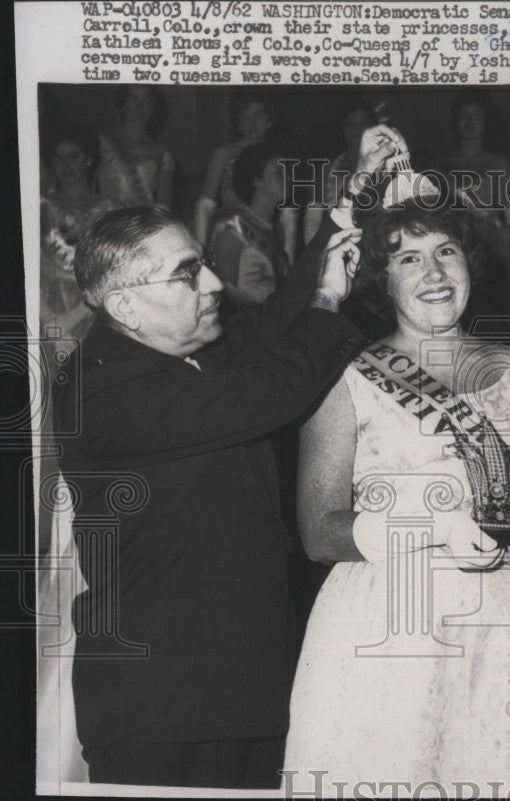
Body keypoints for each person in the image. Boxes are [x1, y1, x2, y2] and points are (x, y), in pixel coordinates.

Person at [52, 129, 402, 788]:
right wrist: (331, 299)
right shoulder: (99, 387)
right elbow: (269, 390)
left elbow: (276, 323)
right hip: (161, 706)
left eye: (202, 261)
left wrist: (350, 207)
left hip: (242, 684)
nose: (212, 281)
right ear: (123, 302)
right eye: (187, 274)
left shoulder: (181, 346)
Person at [283, 168, 510, 788]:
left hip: (505, 622)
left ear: (469, 262)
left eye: (445, 252)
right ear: (382, 279)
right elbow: (319, 532)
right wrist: (436, 528)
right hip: (385, 619)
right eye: (408, 258)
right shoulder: (345, 375)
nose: (434, 274)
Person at [437, 88, 510, 320]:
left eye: (477, 115)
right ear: (456, 121)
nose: (470, 121)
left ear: (487, 122)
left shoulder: (499, 163)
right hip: (454, 244)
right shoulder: (440, 165)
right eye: (464, 115)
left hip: (491, 247)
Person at [40, 122, 118, 343]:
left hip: (97, 309)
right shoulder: (39, 208)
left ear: (89, 159)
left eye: (73, 156)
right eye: (58, 157)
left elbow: (116, 272)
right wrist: (51, 321)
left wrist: (75, 316)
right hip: (47, 311)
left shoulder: (111, 209)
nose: (65, 164)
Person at [209, 142, 290, 311]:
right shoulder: (231, 230)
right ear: (257, 181)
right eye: (278, 172)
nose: (288, 177)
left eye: (287, 171)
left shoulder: (277, 229)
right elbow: (224, 297)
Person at [193, 93, 275, 245]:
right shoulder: (224, 154)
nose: (252, 122)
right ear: (238, 123)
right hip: (233, 232)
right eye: (245, 116)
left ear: (269, 121)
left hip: (267, 232)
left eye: (259, 115)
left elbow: (287, 212)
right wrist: (201, 248)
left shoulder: (276, 157)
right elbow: (205, 205)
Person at [302, 97, 376, 245]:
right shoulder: (325, 170)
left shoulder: (384, 168)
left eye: (361, 123)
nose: (356, 129)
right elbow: (312, 221)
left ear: (371, 126)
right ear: (343, 128)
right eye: (350, 124)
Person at [97, 85, 175, 209]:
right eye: (133, 98)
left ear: (153, 107)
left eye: (146, 100)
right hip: (106, 220)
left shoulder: (162, 154)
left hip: (141, 223)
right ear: (123, 104)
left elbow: (164, 209)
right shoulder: (102, 144)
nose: (140, 105)